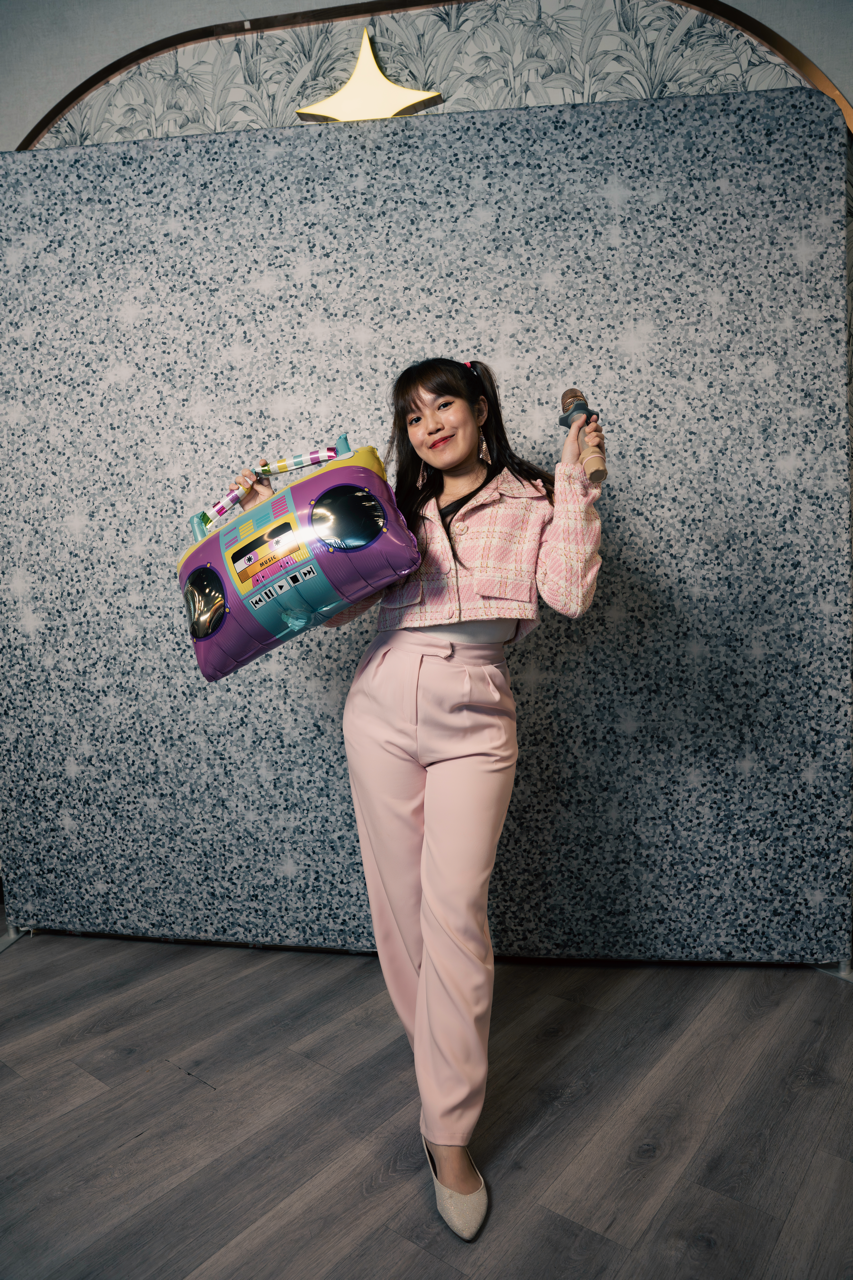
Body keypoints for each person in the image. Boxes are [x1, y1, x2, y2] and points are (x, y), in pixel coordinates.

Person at [232, 358, 603, 1240]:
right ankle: (443, 1072)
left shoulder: (536, 494)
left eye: (441, 403)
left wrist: (581, 489)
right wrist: (275, 520)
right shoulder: (390, 508)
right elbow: (331, 611)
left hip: (478, 703)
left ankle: (447, 1133)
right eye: (410, 414)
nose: (427, 423)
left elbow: (568, 596)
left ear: (479, 409)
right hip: (386, 698)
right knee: (400, 913)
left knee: (456, 913)